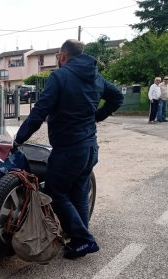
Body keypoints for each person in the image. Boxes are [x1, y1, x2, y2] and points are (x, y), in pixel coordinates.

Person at [13, 39, 123, 259]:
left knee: (54, 192)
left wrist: (19, 139)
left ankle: (84, 239)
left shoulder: (59, 77)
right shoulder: (95, 76)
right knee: (79, 193)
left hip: (69, 150)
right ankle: (79, 242)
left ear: (63, 55)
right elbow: (117, 97)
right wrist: (96, 117)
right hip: (89, 148)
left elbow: (39, 112)